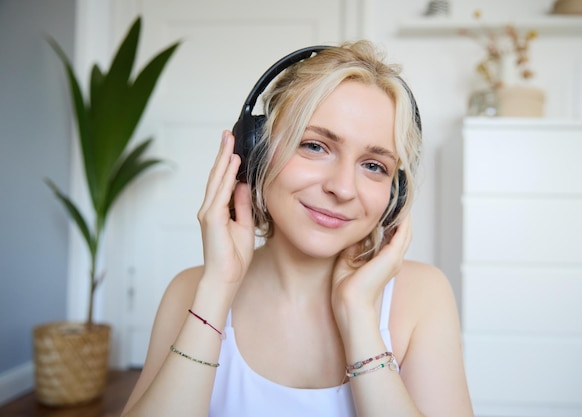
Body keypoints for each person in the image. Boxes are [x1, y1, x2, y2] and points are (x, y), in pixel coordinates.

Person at [121, 40, 473, 417]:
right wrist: (217, 291)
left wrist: (358, 317)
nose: (342, 188)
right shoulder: (190, 291)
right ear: (255, 152)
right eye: (315, 146)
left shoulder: (423, 295)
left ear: (395, 193)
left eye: (374, 165)